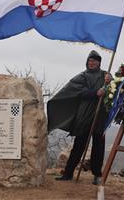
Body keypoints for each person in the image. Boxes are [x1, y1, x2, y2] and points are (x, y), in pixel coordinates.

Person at [47, 50, 111, 185]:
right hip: (84, 116)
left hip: (100, 115)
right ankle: (68, 173)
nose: (92, 63)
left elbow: (113, 88)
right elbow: (78, 92)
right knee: (79, 145)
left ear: (99, 62)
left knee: (98, 146)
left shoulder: (105, 75)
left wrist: (109, 81)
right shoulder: (82, 76)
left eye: (94, 61)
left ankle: (97, 175)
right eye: (90, 60)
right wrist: (96, 93)